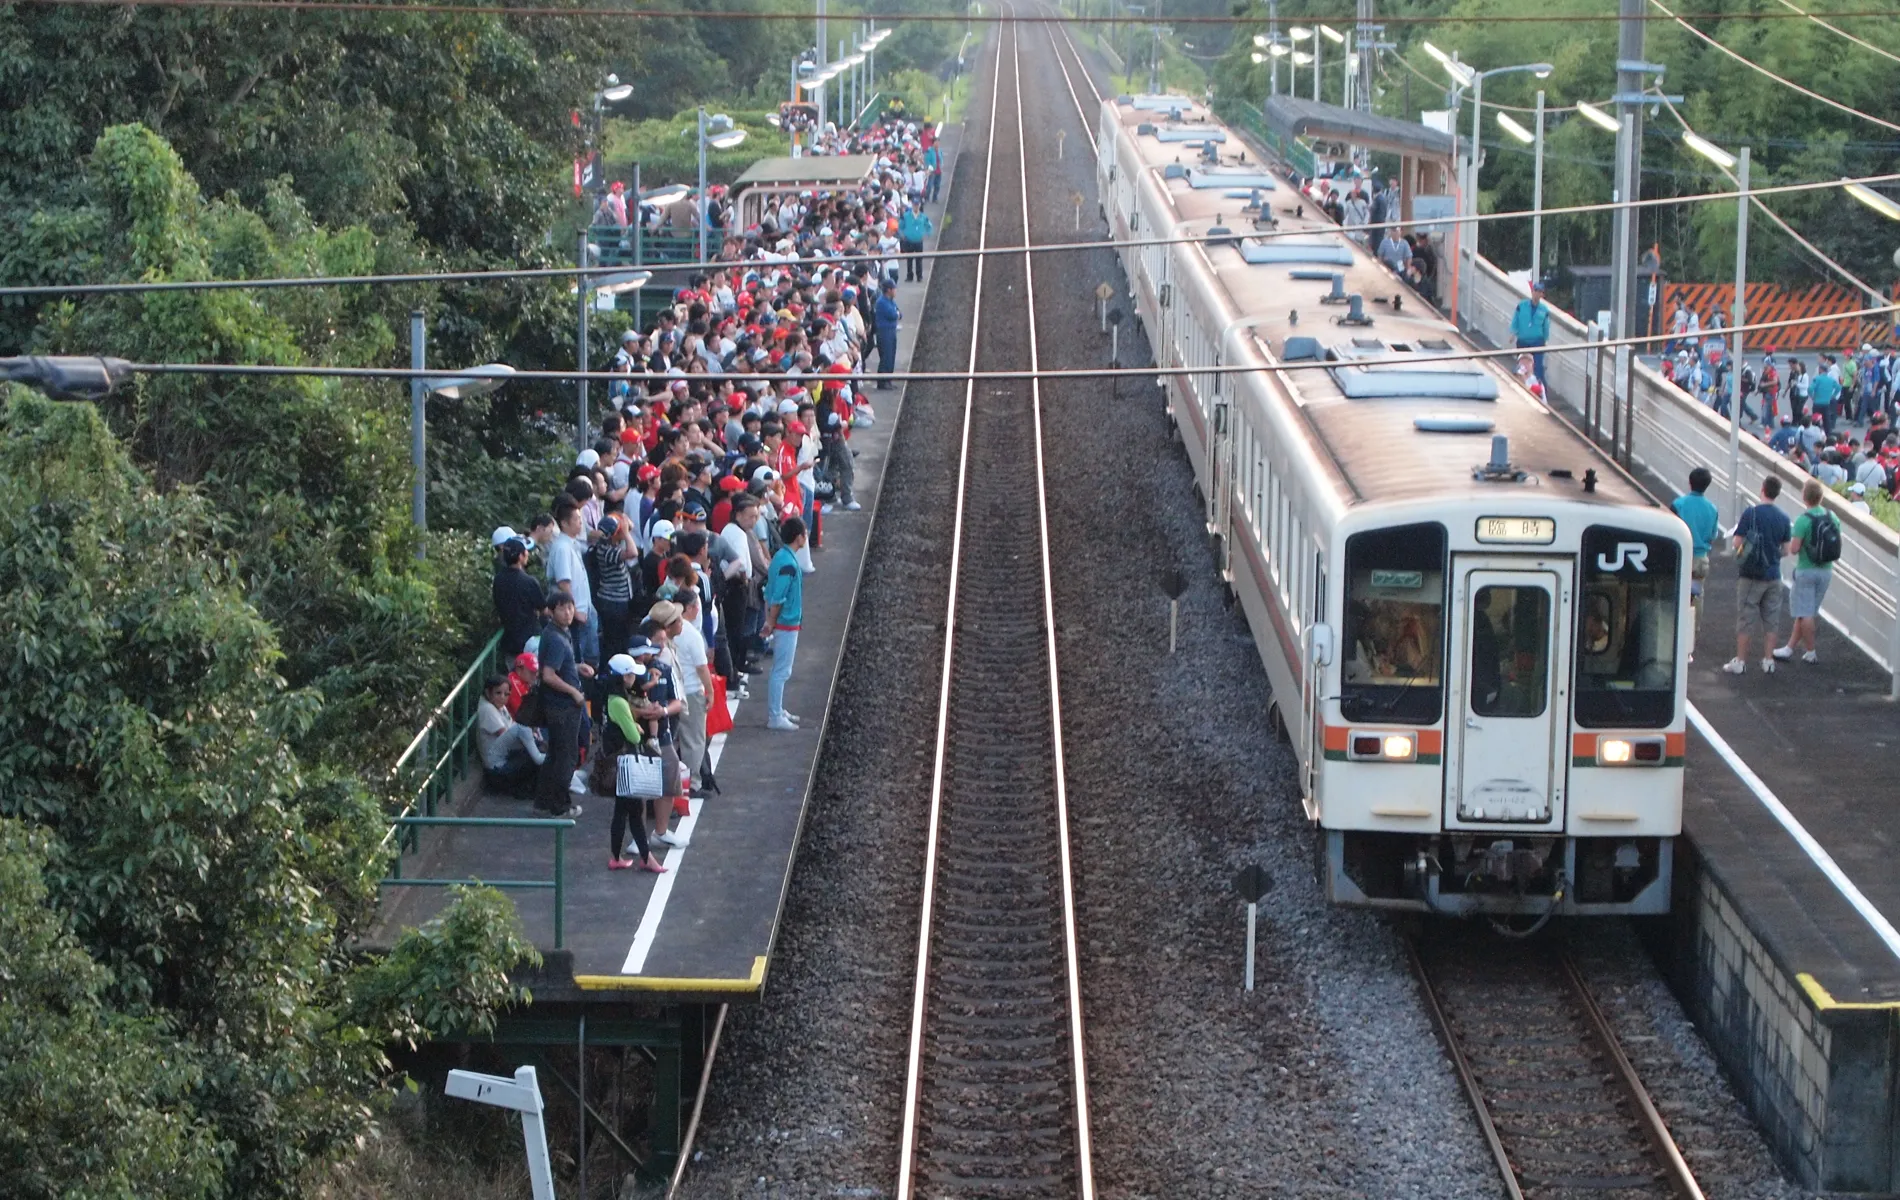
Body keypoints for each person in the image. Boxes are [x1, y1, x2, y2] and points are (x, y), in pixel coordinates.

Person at [604, 653, 667, 873]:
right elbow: (633, 736)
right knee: (633, 810)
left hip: (619, 761)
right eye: (630, 674)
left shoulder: (612, 698)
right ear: (623, 677)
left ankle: (617, 856)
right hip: (626, 762)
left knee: (623, 811)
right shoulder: (620, 702)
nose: (633, 678)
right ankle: (647, 857)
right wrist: (637, 727)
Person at [1725, 477, 1791, 675]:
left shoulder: (1751, 513)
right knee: (1771, 618)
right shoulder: (1784, 517)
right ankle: (1768, 660)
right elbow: (1786, 550)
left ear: (1762, 489)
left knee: (1746, 617)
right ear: (1777, 493)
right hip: (1774, 574)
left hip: (1751, 575)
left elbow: (1737, 543)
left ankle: (1741, 661)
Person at [534, 593, 590, 815]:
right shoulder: (556, 638)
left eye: (570, 608)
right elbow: (548, 675)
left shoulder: (555, 633)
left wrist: (575, 667)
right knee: (566, 756)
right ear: (552, 611)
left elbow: (555, 667)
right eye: (562, 608)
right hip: (562, 706)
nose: (568, 613)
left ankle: (544, 801)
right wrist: (574, 691)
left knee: (556, 754)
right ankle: (560, 805)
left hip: (557, 704)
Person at [1776, 478, 1835, 665]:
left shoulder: (1803, 520)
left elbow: (1793, 548)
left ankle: (1810, 651)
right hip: (1826, 570)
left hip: (1806, 569)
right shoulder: (1832, 517)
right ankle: (1790, 647)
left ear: (1804, 497)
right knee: (1807, 611)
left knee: (1805, 613)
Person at [763, 516, 807, 731]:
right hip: (786, 622)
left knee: (780, 670)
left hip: (784, 621)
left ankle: (778, 710)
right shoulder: (788, 564)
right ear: (799, 537)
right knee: (781, 670)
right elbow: (778, 597)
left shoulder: (781, 557)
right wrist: (771, 622)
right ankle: (775, 715)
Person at [1672, 467, 1720, 660]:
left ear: (1690, 482)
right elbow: (1713, 536)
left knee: (1676, 597)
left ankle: (1676, 640)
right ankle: (1689, 645)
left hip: (1682, 556)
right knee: (1696, 598)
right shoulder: (1712, 509)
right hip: (1701, 560)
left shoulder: (1679, 504)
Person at [673, 586, 714, 795]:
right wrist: (710, 692)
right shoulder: (691, 634)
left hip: (670, 693)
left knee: (673, 739)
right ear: (689, 608)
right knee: (694, 740)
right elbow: (701, 667)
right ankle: (693, 783)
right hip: (690, 691)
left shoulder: (661, 627)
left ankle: (675, 784)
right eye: (697, 605)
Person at [477, 674, 545, 796]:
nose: (502, 698)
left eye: (506, 694)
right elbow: (506, 734)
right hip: (497, 769)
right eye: (498, 693)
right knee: (534, 752)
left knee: (537, 745)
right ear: (488, 693)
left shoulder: (500, 707)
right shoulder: (487, 709)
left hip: (507, 758)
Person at [491, 534, 545, 656]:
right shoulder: (529, 581)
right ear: (521, 556)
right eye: (526, 552)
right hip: (530, 641)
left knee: (513, 674)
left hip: (509, 641)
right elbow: (543, 609)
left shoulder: (498, 579)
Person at [1511, 280, 1552, 388]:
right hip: (1523, 340)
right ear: (1532, 291)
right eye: (1535, 291)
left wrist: (1546, 339)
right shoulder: (1522, 305)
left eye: (1539, 292)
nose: (1537, 294)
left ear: (1542, 294)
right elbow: (1516, 319)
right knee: (1522, 366)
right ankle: (1521, 386)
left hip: (1537, 341)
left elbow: (1546, 326)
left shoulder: (1544, 310)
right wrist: (1513, 333)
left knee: (1538, 367)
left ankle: (1540, 390)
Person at [875, 279, 902, 389]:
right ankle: (882, 382)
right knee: (886, 356)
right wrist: (897, 314)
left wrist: (897, 313)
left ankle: (888, 380)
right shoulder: (882, 302)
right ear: (889, 290)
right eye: (894, 289)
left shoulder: (890, 301)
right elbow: (893, 314)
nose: (895, 291)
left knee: (891, 356)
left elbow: (899, 313)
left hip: (891, 331)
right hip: (884, 332)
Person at [898, 204, 932, 282]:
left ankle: (919, 276)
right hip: (909, 241)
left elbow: (929, 226)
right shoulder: (906, 216)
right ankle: (910, 276)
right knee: (909, 259)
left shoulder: (923, 216)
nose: (916, 207)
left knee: (919, 260)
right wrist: (902, 235)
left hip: (919, 241)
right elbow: (900, 226)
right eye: (914, 205)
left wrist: (927, 235)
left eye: (917, 205)